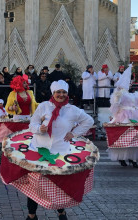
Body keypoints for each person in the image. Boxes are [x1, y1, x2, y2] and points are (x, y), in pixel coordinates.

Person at [27, 80, 94, 220]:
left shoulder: (72, 110)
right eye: (58, 92)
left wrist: (74, 134)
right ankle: (31, 215)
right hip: (39, 150)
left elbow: (89, 121)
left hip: (60, 152)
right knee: (34, 184)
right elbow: (32, 124)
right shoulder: (44, 106)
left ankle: (61, 212)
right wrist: (39, 128)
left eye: (64, 92)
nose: (61, 95)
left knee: (58, 184)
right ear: (53, 93)